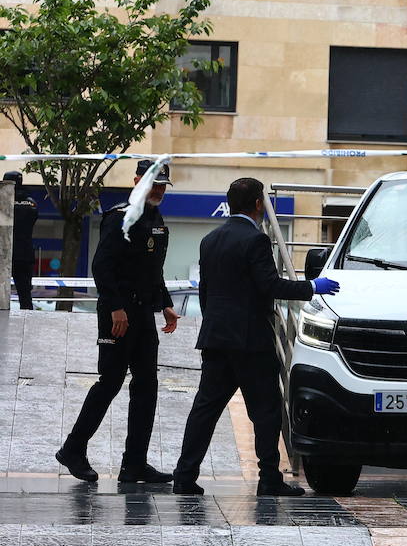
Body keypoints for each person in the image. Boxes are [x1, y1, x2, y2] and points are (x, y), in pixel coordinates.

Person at [172, 177, 340, 496]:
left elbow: (206, 294)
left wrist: (217, 325)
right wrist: (311, 288)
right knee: (266, 411)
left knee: (205, 410)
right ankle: (269, 479)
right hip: (251, 342)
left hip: (216, 338)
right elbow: (270, 286)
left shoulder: (209, 240)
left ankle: (184, 475)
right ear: (259, 204)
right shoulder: (256, 240)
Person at [55, 160, 180, 484]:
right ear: (137, 180)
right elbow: (102, 267)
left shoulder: (155, 218)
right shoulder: (120, 216)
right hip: (118, 315)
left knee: (146, 387)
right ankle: (73, 449)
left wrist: (165, 304)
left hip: (143, 316)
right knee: (109, 383)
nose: (159, 190)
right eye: (153, 184)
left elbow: (154, 269)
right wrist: (115, 308)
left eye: (163, 185)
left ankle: (134, 463)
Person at [5, 172, 37, 310]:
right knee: (25, 296)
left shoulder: (3, 202)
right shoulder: (32, 203)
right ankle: (28, 327)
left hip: (4, 255)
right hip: (24, 255)